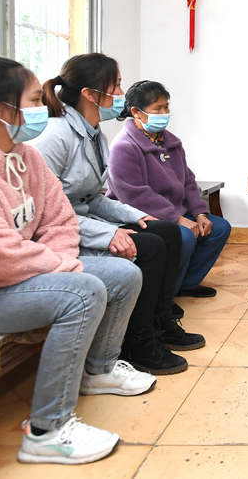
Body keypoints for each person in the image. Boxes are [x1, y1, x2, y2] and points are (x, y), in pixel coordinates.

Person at [0, 57, 155, 465]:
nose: (42, 108)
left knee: (124, 275)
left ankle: (99, 370)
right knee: (81, 293)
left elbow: (60, 219)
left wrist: (59, 260)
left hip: (25, 271)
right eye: (32, 101)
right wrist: (61, 268)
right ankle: (47, 430)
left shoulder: (26, 157)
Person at [34, 53, 203, 375]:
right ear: (90, 93)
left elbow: (92, 199)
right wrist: (109, 233)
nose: (121, 95)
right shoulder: (55, 136)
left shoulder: (94, 133)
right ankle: (138, 341)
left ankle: (161, 321)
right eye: (117, 86)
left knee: (165, 230)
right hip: (58, 233)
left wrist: (138, 216)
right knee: (150, 246)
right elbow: (48, 213)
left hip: (83, 219)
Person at [106, 80, 232, 299]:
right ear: (136, 112)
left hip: (173, 212)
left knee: (219, 228)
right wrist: (177, 219)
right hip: (139, 216)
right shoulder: (123, 147)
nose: (165, 113)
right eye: (158, 109)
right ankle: (165, 296)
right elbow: (135, 197)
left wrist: (200, 213)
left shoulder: (171, 142)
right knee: (184, 236)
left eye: (166, 107)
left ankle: (187, 283)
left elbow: (188, 181)